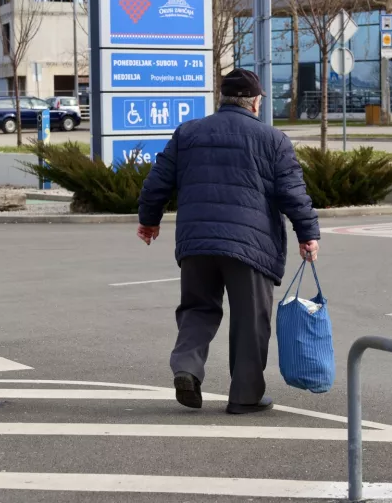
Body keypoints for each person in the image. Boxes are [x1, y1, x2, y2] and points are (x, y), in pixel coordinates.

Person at [137, 68, 321, 415]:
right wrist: (307, 234)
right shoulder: (272, 139)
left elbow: (157, 181)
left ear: (222, 99)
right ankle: (245, 396)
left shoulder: (187, 133)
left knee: (197, 309)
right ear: (255, 102)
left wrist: (149, 221)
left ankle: (187, 369)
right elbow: (292, 193)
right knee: (251, 320)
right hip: (249, 246)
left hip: (196, 244)